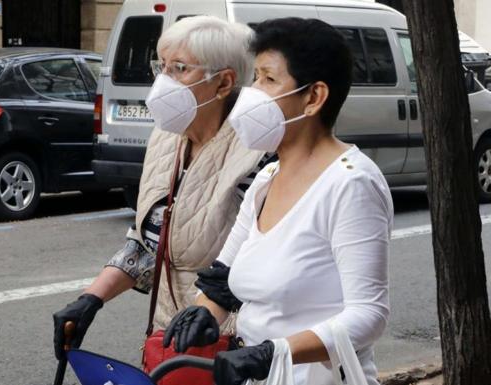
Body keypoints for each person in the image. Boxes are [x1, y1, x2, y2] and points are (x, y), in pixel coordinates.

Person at [163, 17, 394, 385]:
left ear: (314, 97)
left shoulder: (351, 184)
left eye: (269, 79)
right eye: (254, 77)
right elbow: (225, 274)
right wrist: (205, 312)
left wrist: (277, 351)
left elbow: (369, 316)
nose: (253, 91)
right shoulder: (267, 179)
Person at [53, 16, 276, 359]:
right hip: (168, 335)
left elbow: (257, 262)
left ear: (223, 82)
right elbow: (147, 241)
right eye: (162, 66)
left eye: (180, 69)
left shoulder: (256, 154)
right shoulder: (165, 139)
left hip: (232, 344)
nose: (163, 81)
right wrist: (91, 299)